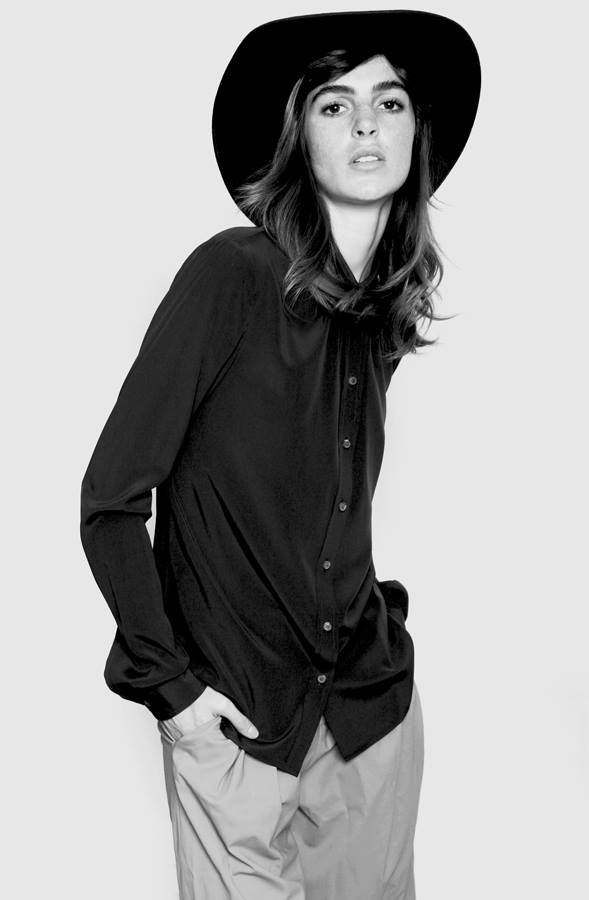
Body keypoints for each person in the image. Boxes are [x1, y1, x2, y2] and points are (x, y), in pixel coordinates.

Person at [80, 10, 480, 900]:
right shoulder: (229, 275)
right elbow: (109, 501)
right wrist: (175, 693)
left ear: (417, 132)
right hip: (235, 723)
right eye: (335, 105)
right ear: (299, 136)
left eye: (390, 102)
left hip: (369, 715)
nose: (367, 123)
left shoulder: (380, 315)